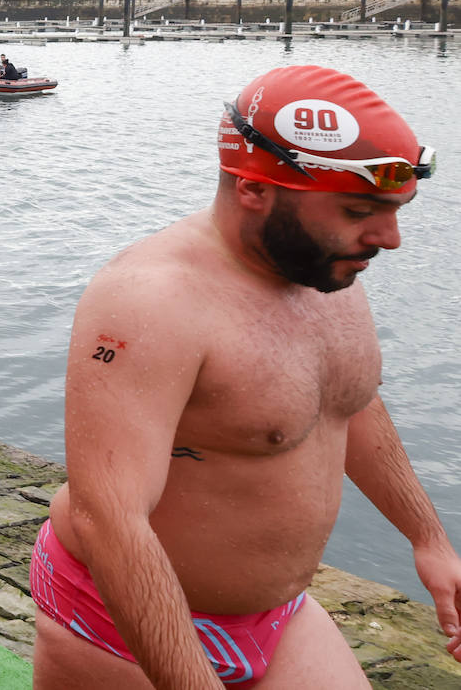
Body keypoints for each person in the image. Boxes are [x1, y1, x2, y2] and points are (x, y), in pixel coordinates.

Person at [29, 65, 460, 688]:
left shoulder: (325, 267)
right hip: (119, 620)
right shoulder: (151, 301)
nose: (388, 239)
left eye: (396, 212)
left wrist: (429, 540)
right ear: (255, 189)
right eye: (360, 210)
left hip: (279, 615)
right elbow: (111, 519)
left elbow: (348, 403)